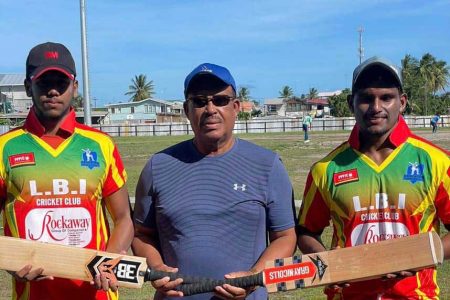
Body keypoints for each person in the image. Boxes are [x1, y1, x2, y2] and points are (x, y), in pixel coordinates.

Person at [133, 63, 297, 300]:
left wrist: (254, 277)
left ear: (236, 107)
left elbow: (285, 237)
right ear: (187, 109)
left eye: (220, 100)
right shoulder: (157, 166)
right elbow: (141, 234)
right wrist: (157, 267)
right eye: (199, 101)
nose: (210, 109)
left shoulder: (268, 165)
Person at [296, 56, 450, 299]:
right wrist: (332, 266)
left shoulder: (437, 161)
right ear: (351, 103)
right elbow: (305, 231)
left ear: (402, 102)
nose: (376, 107)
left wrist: (422, 255)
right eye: (366, 98)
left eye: (386, 98)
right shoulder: (326, 169)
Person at [0, 42, 134, 300]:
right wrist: (10, 262)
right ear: (29, 87)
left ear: (74, 87)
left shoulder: (100, 144)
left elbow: (123, 219)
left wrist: (110, 259)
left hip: (96, 295)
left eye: (61, 83)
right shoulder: (5, 148)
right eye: (43, 82)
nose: (52, 91)